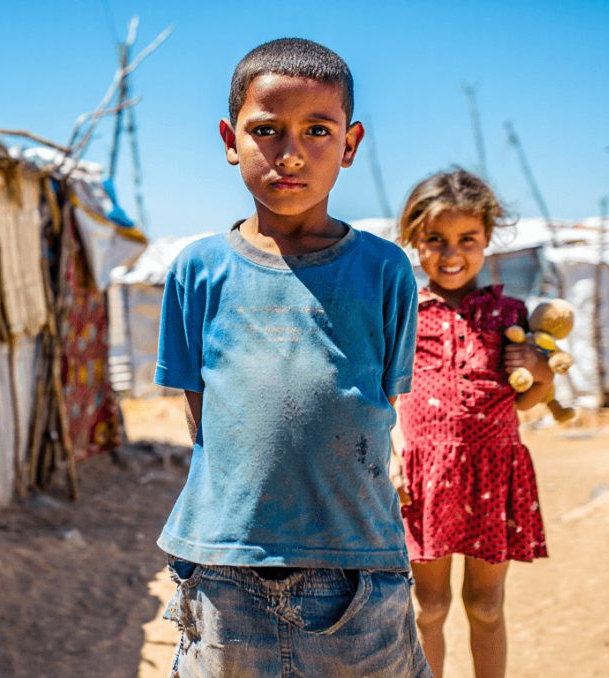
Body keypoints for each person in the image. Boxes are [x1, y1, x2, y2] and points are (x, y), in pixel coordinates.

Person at [155, 37, 431, 677]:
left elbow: (378, 406)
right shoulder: (198, 270)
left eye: (317, 130)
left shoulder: (383, 270)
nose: (291, 153)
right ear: (230, 140)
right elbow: (203, 415)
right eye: (266, 130)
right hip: (225, 569)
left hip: (357, 570)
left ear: (350, 144)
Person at [390, 169, 552, 678]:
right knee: (428, 607)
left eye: (467, 239)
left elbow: (528, 401)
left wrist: (541, 370)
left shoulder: (510, 314)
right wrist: (393, 456)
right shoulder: (403, 312)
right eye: (435, 239)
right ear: (414, 239)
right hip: (424, 479)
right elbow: (385, 395)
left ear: (487, 239)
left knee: (485, 605)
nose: (451, 253)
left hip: (493, 472)